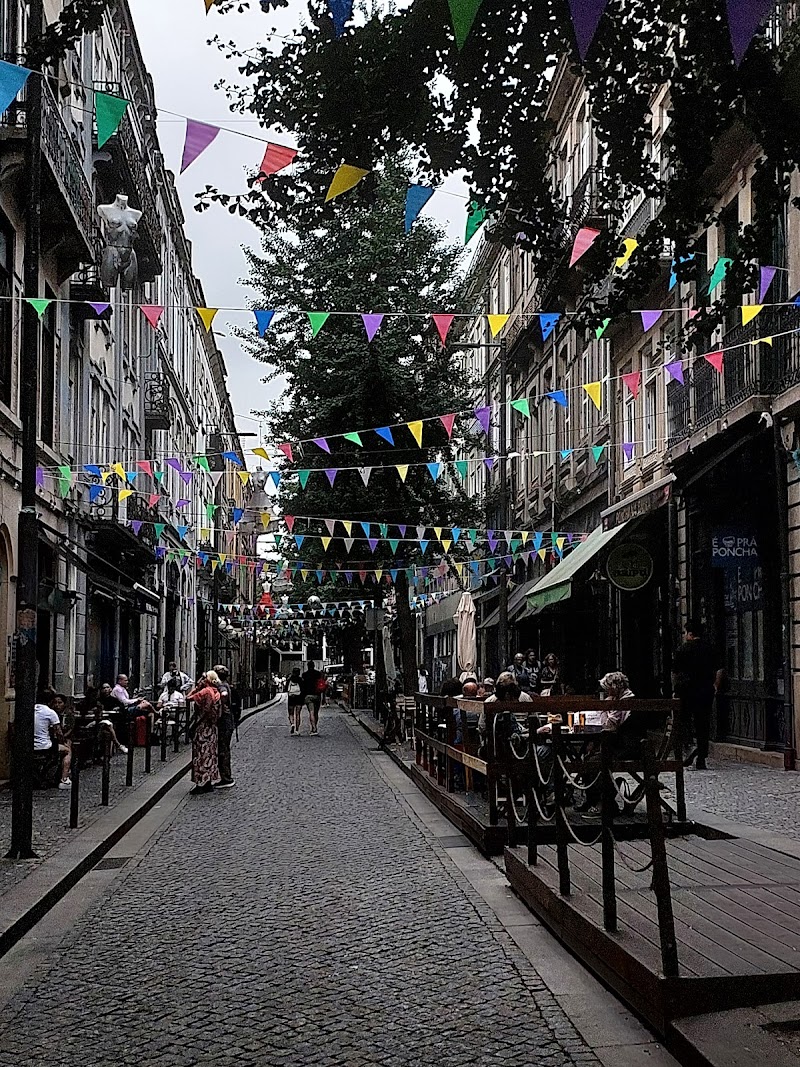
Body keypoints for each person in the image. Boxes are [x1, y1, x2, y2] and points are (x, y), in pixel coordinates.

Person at [672, 620, 717, 770]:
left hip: (686, 690)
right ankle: (702, 758)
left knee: (684, 720)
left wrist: (675, 689)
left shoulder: (682, 649)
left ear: (690, 634)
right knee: (703, 723)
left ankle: (689, 746)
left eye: (685, 633)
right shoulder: (709, 649)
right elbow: (719, 669)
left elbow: (675, 672)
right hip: (704, 690)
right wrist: (715, 686)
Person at [186, 671, 221, 794]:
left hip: (202, 727)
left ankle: (201, 782)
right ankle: (209, 781)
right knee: (210, 754)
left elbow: (188, 698)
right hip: (212, 727)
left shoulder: (205, 691)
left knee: (200, 755)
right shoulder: (215, 691)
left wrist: (196, 687)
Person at [34, 693, 71, 789]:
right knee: (67, 750)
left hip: (28, 746)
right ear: (50, 702)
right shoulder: (50, 712)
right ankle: (64, 779)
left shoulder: (28, 710)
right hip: (44, 746)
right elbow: (59, 733)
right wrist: (63, 743)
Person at [213, 664, 236, 789]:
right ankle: (225, 776)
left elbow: (224, 695)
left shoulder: (222, 686)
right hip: (227, 721)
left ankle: (226, 778)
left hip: (225, 721)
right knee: (223, 749)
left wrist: (218, 703)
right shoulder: (225, 684)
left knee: (223, 749)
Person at [301, 662, 323, 734]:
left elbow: (303, 686)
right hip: (317, 695)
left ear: (307, 666)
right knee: (316, 712)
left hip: (308, 695)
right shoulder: (318, 674)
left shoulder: (304, 675)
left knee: (311, 712)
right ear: (314, 666)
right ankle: (315, 726)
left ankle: (313, 728)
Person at [287, 667, 303, 734]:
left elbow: (286, 689)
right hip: (299, 697)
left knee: (291, 713)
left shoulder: (289, 680)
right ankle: (297, 730)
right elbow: (303, 689)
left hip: (291, 697)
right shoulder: (300, 680)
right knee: (298, 714)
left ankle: (292, 724)